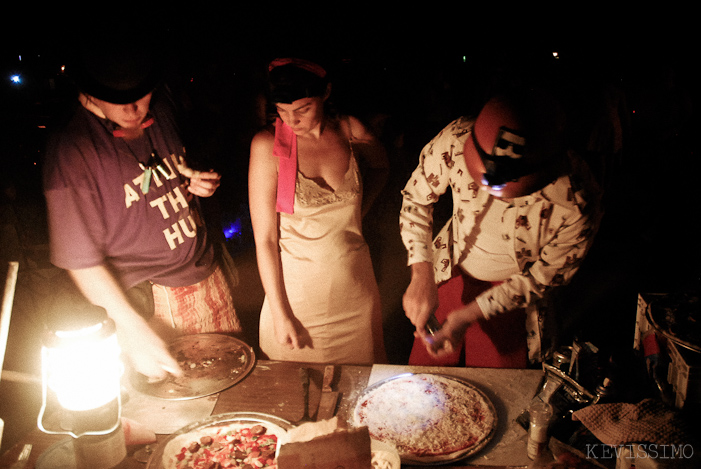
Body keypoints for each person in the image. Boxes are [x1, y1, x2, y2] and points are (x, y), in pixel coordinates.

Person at [42, 38, 241, 380]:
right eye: (120, 100)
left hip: (207, 275)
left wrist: (201, 183)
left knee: (231, 400)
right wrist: (132, 330)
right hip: (150, 301)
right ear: (88, 92)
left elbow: (176, 170)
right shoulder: (73, 153)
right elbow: (82, 263)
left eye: (142, 94)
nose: (135, 109)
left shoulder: (160, 112)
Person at [400, 89, 603, 367]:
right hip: (449, 270)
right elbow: (417, 198)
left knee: (497, 389)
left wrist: (469, 314)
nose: (492, 194)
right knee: (424, 379)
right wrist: (421, 270)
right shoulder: (457, 138)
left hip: (511, 296)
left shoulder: (576, 200)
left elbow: (543, 277)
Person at [249, 57, 388, 364]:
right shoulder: (268, 146)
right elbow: (266, 241)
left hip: (356, 295)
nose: (291, 120)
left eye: (303, 108)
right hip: (297, 302)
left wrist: (358, 214)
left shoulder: (349, 131)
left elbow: (381, 166)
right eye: (283, 111)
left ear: (325, 93)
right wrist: (280, 313)